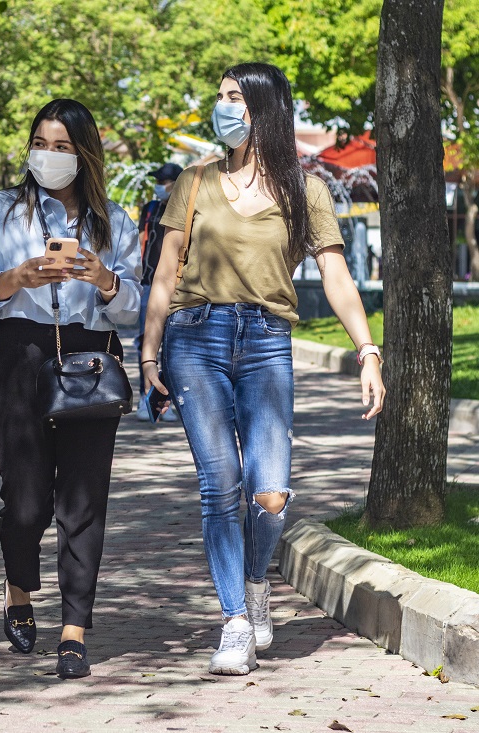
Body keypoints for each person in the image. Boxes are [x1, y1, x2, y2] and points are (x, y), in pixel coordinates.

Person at [139, 62, 385, 676]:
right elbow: (165, 274)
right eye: (220, 97)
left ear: (264, 110)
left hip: (267, 341)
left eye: (235, 99)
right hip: (195, 340)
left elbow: (335, 274)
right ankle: (235, 621)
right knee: (220, 488)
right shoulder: (193, 182)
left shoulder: (306, 192)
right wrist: (147, 353)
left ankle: (254, 583)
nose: (222, 108)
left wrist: (367, 351)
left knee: (269, 493)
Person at [0, 99, 141, 679]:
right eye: (42, 143)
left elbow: (134, 311)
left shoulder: (114, 220)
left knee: (83, 499)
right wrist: (19, 277)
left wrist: (106, 280)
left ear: (85, 153)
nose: (50, 155)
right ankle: (18, 588)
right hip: (21, 353)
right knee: (26, 499)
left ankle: (74, 629)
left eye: (63, 146)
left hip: (91, 356)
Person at [134, 162, 183, 421]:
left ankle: (168, 401)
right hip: (148, 282)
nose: (159, 186)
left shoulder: (186, 208)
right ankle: (146, 398)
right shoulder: (150, 208)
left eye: (164, 182)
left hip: (175, 285)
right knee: (146, 341)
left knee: (171, 344)